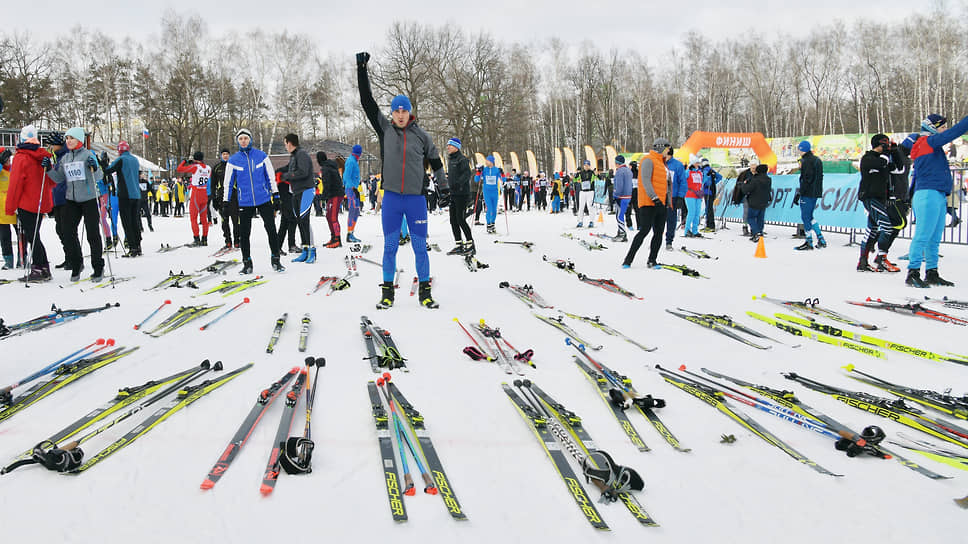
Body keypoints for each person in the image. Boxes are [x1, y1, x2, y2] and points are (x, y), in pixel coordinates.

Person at [357, 50, 449, 309]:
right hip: (393, 200)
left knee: (420, 248)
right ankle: (387, 293)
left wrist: (444, 187)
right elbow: (366, 101)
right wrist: (361, 69)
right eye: (395, 110)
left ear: (410, 112)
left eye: (403, 110)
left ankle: (425, 293)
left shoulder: (422, 136)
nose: (399, 114)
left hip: (416, 200)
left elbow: (437, 163)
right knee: (389, 248)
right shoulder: (385, 130)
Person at [904, 113, 968, 287]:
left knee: (934, 237)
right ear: (932, 128)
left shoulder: (931, 145)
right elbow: (954, 133)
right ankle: (913, 272)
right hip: (927, 194)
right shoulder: (926, 142)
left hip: (937, 194)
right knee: (923, 235)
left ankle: (931, 272)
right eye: (942, 127)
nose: (944, 130)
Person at [45, 126, 104, 281]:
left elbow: (98, 176)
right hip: (71, 200)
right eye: (67, 138)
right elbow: (58, 178)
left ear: (79, 140)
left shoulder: (87, 155)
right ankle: (76, 264)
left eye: (72, 138)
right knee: (68, 232)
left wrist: (96, 166)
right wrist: (48, 169)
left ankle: (98, 267)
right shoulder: (65, 158)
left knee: (93, 234)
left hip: (89, 199)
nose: (68, 141)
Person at [225, 128, 284, 274]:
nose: (243, 141)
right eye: (240, 139)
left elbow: (271, 176)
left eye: (245, 138)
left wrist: (275, 195)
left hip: (263, 199)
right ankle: (247, 263)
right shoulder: (233, 160)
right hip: (244, 201)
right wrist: (225, 202)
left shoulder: (261, 156)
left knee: (271, 229)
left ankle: (276, 260)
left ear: (250, 139)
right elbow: (228, 183)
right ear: (238, 141)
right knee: (244, 234)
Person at [6, 127, 54, 281]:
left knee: (32, 236)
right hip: (39, 203)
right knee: (34, 235)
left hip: (26, 203)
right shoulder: (42, 156)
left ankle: (39, 268)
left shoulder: (21, 158)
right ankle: (43, 266)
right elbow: (52, 182)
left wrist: (10, 207)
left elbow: (15, 184)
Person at [856, 134, 902, 273]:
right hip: (869, 197)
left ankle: (862, 262)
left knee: (872, 229)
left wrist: (894, 151)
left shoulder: (885, 158)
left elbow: (899, 169)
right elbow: (880, 163)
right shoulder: (868, 158)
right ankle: (882, 258)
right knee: (887, 227)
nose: (886, 147)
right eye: (884, 144)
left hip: (880, 198)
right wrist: (886, 154)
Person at [622, 138, 670, 269]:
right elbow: (645, 181)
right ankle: (628, 259)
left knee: (659, 232)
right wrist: (654, 198)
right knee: (644, 231)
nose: (668, 151)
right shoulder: (648, 160)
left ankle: (652, 260)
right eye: (667, 148)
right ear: (661, 147)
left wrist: (668, 201)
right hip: (649, 203)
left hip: (661, 203)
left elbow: (665, 185)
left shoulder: (662, 163)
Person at [280, 134, 316, 263]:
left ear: (290, 143)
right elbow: (288, 168)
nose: (285, 146)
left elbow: (303, 172)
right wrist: (278, 172)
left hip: (306, 190)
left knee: (305, 220)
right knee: (299, 220)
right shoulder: (294, 156)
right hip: (296, 191)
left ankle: (312, 251)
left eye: (285, 143)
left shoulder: (302, 154)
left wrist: (286, 176)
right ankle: (305, 250)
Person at [104, 141, 144, 256]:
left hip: (125, 195)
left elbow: (108, 170)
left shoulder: (121, 159)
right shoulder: (135, 159)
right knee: (135, 221)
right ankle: (138, 245)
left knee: (127, 222)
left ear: (119, 150)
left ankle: (132, 248)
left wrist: (103, 163)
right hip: (136, 195)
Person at [794, 140, 827, 250]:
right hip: (815, 192)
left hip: (808, 193)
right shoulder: (816, 159)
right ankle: (820, 238)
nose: (798, 150)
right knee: (810, 216)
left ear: (802, 149)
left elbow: (806, 179)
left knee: (805, 216)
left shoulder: (807, 161)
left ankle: (809, 241)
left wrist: (800, 193)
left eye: (799, 148)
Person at [444, 137, 474, 255]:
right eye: (447, 145)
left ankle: (470, 243)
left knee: (461, 219)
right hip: (453, 194)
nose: (448, 147)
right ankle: (459, 244)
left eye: (450, 145)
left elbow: (467, 174)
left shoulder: (462, 159)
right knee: (453, 220)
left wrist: (458, 184)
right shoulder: (451, 160)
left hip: (462, 194)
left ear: (456, 147)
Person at [176, 151, 212, 246]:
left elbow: (179, 169)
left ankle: (196, 239)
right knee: (204, 219)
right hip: (204, 192)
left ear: (195, 159)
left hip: (196, 193)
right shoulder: (208, 168)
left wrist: (185, 161)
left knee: (193, 218)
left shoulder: (196, 167)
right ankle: (205, 239)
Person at [211, 148, 238, 250]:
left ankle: (237, 241)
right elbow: (213, 185)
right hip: (221, 198)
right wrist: (213, 198)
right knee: (224, 221)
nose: (225, 156)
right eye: (223, 154)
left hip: (234, 197)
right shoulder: (216, 168)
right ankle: (228, 241)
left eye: (227, 154)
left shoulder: (234, 166)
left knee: (236, 221)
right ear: (221, 155)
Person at [316, 151, 344, 248]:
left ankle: (337, 239)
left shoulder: (326, 168)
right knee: (328, 216)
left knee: (333, 217)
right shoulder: (328, 167)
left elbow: (327, 184)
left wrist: (323, 197)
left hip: (336, 194)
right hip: (332, 194)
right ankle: (333, 237)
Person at [740, 164, 772, 242]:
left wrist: (743, 185)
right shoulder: (768, 179)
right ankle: (760, 233)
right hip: (764, 201)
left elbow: (746, 190)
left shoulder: (754, 180)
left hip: (754, 201)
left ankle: (756, 232)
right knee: (760, 219)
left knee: (750, 218)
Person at [664, 151, 687, 249]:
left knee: (671, 220)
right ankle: (656, 239)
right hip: (660, 196)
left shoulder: (677, 165)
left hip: (672, 197)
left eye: (666, 155)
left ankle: (669, 241)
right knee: (657, 220)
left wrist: (680, 197)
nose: (664, 157)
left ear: (670, 155)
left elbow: (683, 182)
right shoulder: (660, 163)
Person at [343, 144, 364, 243]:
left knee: (356, 211)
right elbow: (346, 175)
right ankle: (349, 233)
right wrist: (351, 187)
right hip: (351, 189)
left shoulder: (353, 160)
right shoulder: (351, 161)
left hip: (353, 188)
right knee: (353, 210)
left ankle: (351, 232)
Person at [0, 148, 16, 270]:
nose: (8, 161)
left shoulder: (14, 169)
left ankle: (23, 257)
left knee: (22, 234)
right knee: (5, 236)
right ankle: (8, 260)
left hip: (15, 206)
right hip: (1, 210)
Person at [611, 155, 632, 242]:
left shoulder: (619, 172)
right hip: (628, 196)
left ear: (617, 163)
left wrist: (615, 195)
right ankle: (620, 232)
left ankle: (622, 234)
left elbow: (619, 186)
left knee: (619, 216)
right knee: (622, 214)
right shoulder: (628, 171)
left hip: (621, 197)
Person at [479, 155, 502, 234]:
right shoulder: (484, 170)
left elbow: (504, 179)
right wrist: (479, 172)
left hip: (495, 192)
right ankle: (489, 225)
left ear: (491, 162)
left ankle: (493, 224)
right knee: (489, 208)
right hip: (487, 192)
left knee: (494, 209)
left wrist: (502, 173)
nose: (486, 162)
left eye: (487, 161)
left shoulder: (496, 170)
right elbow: (476, 179)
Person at [684, 156, 704, 238]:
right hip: (689, 194)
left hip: (698, 195)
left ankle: (695, 230)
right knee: (691, 212)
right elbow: (683, 180)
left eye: (698, 163)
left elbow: (702, 182)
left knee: (697, 213)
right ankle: (687, 230)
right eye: (696, 163)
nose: (698, 164)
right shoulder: (688, 172)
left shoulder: (699, 172)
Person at [700, 158, 722, 232]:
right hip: (712, 191)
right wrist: (714, 183)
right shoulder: (711, 170)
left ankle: (711, 225)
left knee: (708, 208)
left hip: (707, 191)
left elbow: (705, 180)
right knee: (709, 208)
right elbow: (719, 177)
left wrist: (709, 183)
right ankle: (709, 224)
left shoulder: (705, 170)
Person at [576, 160, 596, 228]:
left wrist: (597, 174)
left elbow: (599, 178)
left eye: (587, 165)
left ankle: (591, 221)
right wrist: (576, 176)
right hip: (582, 191)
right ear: (583, 166)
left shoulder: (592, 173)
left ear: (589, 166)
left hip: (590, 191)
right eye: (585, 165)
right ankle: (580, 221)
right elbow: (574, 180)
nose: (586, 167)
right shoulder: (581, 173)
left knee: (589, 206)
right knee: (581, 207)